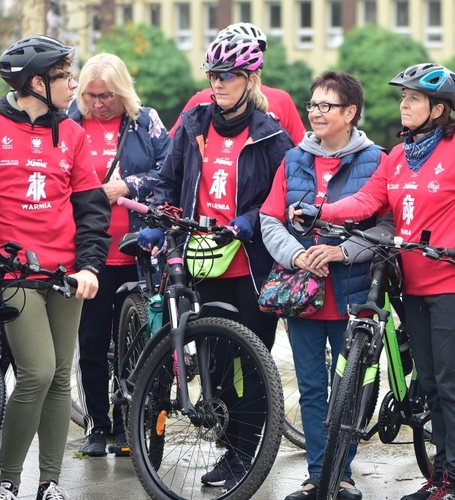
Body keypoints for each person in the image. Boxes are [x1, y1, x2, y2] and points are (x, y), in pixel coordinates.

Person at [291, 63, 455, 500]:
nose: (404, 105)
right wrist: (323, 212)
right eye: (402, 97)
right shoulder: (398, 156)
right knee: (430, 384)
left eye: (413, 98)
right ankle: (438, 477)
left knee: (453, 386)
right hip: (411, 286)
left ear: (438, 108)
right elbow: (367, 200)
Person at [137, 32, 294, 491]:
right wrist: (161, 219)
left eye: (227, 75)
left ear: (250, 78)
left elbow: (281, 197)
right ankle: (233, 444)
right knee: (216, 360)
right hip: (200, 261)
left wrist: (250, 220)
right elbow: (168, 183)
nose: (217, 83)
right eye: (213, 75)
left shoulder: (271, 134)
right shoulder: (193, 123)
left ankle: (244, 451)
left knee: (250, 363)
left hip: (247, 264)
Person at [0, 35, 111, 500]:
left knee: (58, 375)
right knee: (38, 371)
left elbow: (91, 207)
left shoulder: (71, 134)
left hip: (65, 276)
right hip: (12, 274)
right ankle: (10, 481)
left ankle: (48, 484)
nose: (74, 85)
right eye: (65, 77)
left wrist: (90, 265)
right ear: (36, 83)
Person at [260, 70, 392, 500]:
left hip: (353, 293)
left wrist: (341, 252)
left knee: (348, 388)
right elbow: (270, 218)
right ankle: (318, 475)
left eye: (325, 106)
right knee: (312, 386)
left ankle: (343, 473)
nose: (315, 113)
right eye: (312, 105)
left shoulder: (377, 160)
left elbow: (389, 226)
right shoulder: (294, 159)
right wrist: (297, 255)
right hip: (303, 296)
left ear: (351, 112)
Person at [67, 52, 172, 458]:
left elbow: (168, 171)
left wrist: (127, 185)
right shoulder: (71, 124)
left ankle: (130, 422)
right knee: (92, 342)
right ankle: (97, 425)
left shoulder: (146, 122)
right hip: (89, 255)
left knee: (137, 343)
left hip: (138, 252)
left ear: (122, 90)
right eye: (91, 95)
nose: (98, 103)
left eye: (106, 95)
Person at [170, 22, 305, 145]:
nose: (218, 84)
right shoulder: (203, 100)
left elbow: (300, 153)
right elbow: (172, 145)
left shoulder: (281, 100)